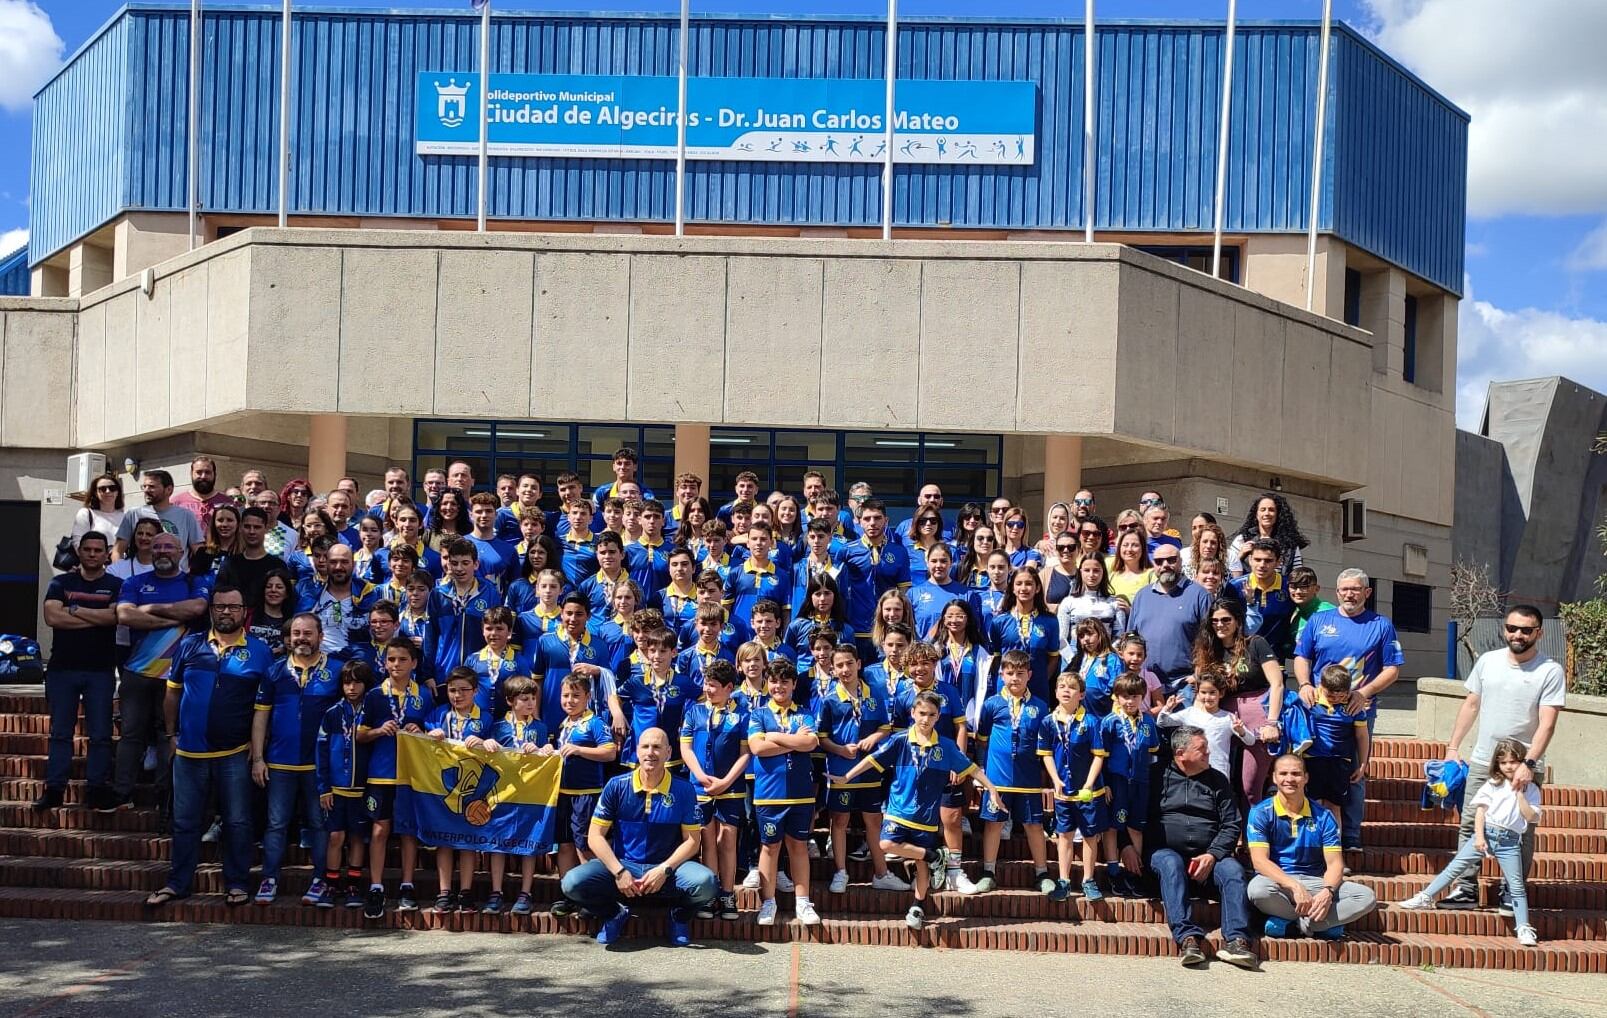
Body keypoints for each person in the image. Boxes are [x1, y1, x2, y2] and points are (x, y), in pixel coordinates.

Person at [144, 585, 275, 909]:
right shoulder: (189, 645)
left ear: (245, 611)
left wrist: (258, 752)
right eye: (220, 607)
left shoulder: (260, 652)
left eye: (233, 607)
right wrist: (171, 735)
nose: (226, 612)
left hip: (234, 753)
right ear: (211, 610)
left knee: (237, 821)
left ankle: (237, 883)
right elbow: (172, 694)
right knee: (185, 822)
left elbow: (265, 708)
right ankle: (178, 883)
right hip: (188, 753)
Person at [833, 689, 1005, 930]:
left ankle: (918, 905)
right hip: (898, 810)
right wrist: (847, 777)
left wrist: (993, 791)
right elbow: (872, 760)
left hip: (926, 816)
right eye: (922, 713)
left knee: (922, 867)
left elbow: (973, 769)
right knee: (885, 845)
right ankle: (936, 856)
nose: (925, 719)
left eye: (931, 715)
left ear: (938, 717)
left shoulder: (945, 746)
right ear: (913, 713)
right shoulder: (900, 740)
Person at [1436, 605, 1564, 911]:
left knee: (1520, 830)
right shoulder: (1488, 661)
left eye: (1526, 630)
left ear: (1539, 633)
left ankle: (1512, 892)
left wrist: (1529, 764)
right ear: (1504, 629)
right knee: (1470, 823)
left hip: (1524, 764)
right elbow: (1471, 704)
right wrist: (1453, 748)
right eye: (1512, 628)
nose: (1517, 635)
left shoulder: (1549, 670)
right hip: (1484, 761)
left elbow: (1547, 723)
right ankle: (1465, 889)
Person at [560, 727, 718, 947]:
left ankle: (679, 916)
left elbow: (693, 842)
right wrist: (619, 871)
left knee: (706, 883)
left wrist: (664, 869)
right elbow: (595, 836)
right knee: (571, 883)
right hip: (625, 866)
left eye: (657, 747)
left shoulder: (684, 790)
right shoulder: (616, 785)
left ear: (668, 752)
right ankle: (614, 914)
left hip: (667, 869)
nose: (650, 753)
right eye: (645, 746)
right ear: (636, 751)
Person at [1292, 569, 1403, 854]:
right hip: (1317, 712)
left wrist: (1363, 693)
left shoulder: (1381, 625)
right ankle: (1310, 837)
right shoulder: (1319, 621)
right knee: (1310, 773)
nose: (1349, 594)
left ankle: (1350, 837)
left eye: (1355, 589)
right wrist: (1304, 684)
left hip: (1357, 711)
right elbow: (1302, 657)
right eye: (1344, 590)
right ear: (1337, 592)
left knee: (1353, 773)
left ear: (1367, 592)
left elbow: (1393, 669)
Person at [1400, 737, 1542, 947]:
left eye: (1513, 762)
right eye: (1503, 763)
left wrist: (1520, 796)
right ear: (1497, 764)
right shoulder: (1493, 784)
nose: (1508, 767)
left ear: (1522, 762)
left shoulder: (1531, 790)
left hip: (1510, 841)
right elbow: (1480, 813)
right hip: (1485, 835)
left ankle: (1523, 927)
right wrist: (1480, 837)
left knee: (1516, 885)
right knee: (1454, 868)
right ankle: (1425, 896)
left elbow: (1532, 817)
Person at [1142, 726, 1259, 969]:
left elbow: (1231, 824)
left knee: (1233, 872)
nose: (1209, 752)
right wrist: (1125, 846)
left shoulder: (1217, 780)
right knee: (1170, 863)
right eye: (1202, 748)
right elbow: (1135, 817)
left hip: (1210, 855)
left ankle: (1237, 940)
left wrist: (1213, 855)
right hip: (1164, 852)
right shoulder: (1155, 776)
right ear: (1181, 753)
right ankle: (1187, 938)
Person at [112, 533, 210, 813]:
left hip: (177, 676)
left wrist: (152, 608)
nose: (162, 551)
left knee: (167, 735)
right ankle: (122, 795)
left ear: (181, 551)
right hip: (137, 672)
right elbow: (126, 616)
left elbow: (198, 608)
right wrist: (176, 616)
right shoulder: (134, 582)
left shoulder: (194, 582)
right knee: (131, 735)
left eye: (168, 546)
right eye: (157, 547)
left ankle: (163, 798)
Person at [251, 613, 340, 905]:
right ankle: (269, 878)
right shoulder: (274, 671)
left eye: (308, 633)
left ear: (320, 636)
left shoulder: (337, 672)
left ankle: (320, 879)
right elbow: (261, 716)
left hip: (319, 766)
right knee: (276, 824)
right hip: (279, 763)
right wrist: (258, 758)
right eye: (297, 633)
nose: (302, 638)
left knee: (318, 824)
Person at [1248, 753, 1379, 940]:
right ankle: (1320, 924)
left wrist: (1327, 892)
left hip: (1314, 882)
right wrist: (1294, 886)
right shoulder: (1261, 812)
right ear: (1274, 778)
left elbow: (1335, 864)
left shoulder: (1324, 816)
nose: (1289, 779)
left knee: (1366, 897)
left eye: (1296, 774)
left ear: (1306, 778)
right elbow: (1259, 861)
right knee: (1257, 890)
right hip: (1279, 882)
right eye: (1283, 773)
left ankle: (1299, 924)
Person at [35, 532, 122, 811]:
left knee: (100, 735)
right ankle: (55, 789)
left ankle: (96, 788)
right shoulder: (61, 582)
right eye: (88, 549)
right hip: (63, 669)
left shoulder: (116, 585)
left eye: (98, 550)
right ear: (80, 552)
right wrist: (95, 618)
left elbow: (115, 617)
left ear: (106, 553)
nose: (93, 554)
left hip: (100, 670)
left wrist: (73, 610)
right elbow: (51, 617)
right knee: (60, 733)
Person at [818, 644, 910, 895]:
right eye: (839, 665)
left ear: (859, 664)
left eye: (849, 663)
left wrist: (875, 738)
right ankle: (840, 871)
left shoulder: (875, 693)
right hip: (840, 769)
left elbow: (885, 727)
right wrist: (838, 749)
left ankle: (881, 873)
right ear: (833, 669)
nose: (845, 669)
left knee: (874, 819)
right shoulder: (829, 700)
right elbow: (821, 737)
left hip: (869, 771)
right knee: (839, 820)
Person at [358, 637, 430, 919]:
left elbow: (435, 734)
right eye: (391, 660)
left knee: (408, 832)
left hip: (412, 775)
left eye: (402, 659)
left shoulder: (423, 694)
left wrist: (420, 731)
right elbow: (360, 734)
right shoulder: (375, 695)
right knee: (379, 831)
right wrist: (377, 731)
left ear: (413, 663)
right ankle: (376, 886)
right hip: (382, 773)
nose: (395, 665)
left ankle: (407, 885)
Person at [970, 651, 1052, 895]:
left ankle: (1042, 874)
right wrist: (983, 772)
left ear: (1030, 675)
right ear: (1001, 675)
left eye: (1020, 673)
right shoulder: (992, 704)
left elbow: (1044, 744)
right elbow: (982, 739)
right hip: (997, 779)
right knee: (993, 825)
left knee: (1034, 825)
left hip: (1028, 780)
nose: (1015, 678)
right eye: (1009, 673)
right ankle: (988, 872)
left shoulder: (1040, 706)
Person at [747, 660, 821, 926]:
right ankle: (768, 902)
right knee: (769, 847)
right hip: (769, 794)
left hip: (800, 793)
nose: (779, 686)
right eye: (774, 681)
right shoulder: (758, 714)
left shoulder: (804, 713)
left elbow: (811, 742)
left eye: (785, 682)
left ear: (794, 685)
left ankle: (803, 902)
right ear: (768, 684)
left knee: (798, 847)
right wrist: (793, 742)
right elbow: (757, 748)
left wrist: (774, 737)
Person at [677, 658, 751, 921]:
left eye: (714, 685)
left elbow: (746, 754)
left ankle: (728, 894)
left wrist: (725, 781)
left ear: (730, 687)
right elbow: (685, 748)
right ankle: (709, 894)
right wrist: (701, 776)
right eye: (707, 684)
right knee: (707, 840)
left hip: (730, 788)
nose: (708, 689)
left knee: (728, 839)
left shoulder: (743, 715)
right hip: (700, 787)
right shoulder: (694, 712)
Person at [474, 673, 552, 916]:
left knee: (528, 843)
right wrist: (485, 744)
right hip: (502, 794)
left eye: (532, 699)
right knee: (497, 844)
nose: (530, 704)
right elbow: (481, 751)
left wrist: (543, 749)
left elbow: (547, 754)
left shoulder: (540, 727)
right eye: (524, 699)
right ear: (510, 701)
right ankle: (496, 892)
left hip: (530, 795)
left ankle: (525, 893)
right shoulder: (497, 727)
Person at [1193, 597, 1284, 803]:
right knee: (1219, 781)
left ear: (1237, 621)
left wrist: (1272, 723)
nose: (1220, 625)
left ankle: (1253, 834)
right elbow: (1201, 690)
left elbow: (1277, 684)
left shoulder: (1256, 643)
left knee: (1250, 787)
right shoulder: (1207, 650)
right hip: (1221, 715)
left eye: (1226, 620)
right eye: (1214, 621)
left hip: (1257, 715)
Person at [548, 672, 620, 919]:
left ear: (588, 697)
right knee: (565, 845)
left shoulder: (595, 723)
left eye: (576, 696)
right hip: (563, 794)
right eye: (566, 695)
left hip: (587, 794)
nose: (570, 700)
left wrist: (579, 749)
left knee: (586, 846)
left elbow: (610, 752)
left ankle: (594, 895)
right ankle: (569, 894)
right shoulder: (563, 724)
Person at [424, 668, 495, 914]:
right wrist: (429, 734)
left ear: (475, 691)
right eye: (453, 690)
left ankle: (465, 891)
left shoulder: (485, 718)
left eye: (464, 690)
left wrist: (486, 743)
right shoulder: (438, 714)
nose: (457, 695)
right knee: (444, 841)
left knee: (468, 841)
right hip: (443, 787)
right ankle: (444, 892)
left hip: (472, 790)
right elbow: (422, 738)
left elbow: (495, 747)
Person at [1038, 672, 1110, 902]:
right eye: (1061, 686)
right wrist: (1055, 780)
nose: (1066, 690)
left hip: (1088, 792)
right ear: (1056, 692)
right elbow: (1046, 754)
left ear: (1081, 694)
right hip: (1064, 792)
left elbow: (1098, 756)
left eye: (1071, 687)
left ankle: (1089, 879)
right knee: (1065, 835)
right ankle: (1064, 880)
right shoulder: (1049, 722)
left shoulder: (1091, 722)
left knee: (1090, 835)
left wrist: (1089, 784)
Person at [313, 659, 373, 910]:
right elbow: (321, 753)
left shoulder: (373, 712)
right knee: (336, 836)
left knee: (358, 836)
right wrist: (323, 787)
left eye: (357, 682)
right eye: (347, 682)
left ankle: (354, 884)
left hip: (362, 788)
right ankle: (331, 883)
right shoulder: (332, 714)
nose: (351, 688)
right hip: (336, 788)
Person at [1100, 673, 1161, 896]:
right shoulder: (1109, 723)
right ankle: (1114, 871)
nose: (1130, 701)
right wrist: (1104, 783)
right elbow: (1100, 757)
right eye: (1125, 696)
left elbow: (1152, 754)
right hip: (1117, 781)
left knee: (1137, 825)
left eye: (1134, 696)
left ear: (1142, 697)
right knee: (1113, 826)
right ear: (1116, 697)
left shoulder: (1148, 722)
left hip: (1141, 781)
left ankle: (1134, 872)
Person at [1127, 545, 1213, 697]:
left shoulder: (1199, 595)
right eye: (1159, 561)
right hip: (1145, 684)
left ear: (1180, 562)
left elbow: (1211, 641)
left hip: (1184, 685)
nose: (1165, 565)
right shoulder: (1142, 596)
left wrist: (1199, 674)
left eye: (1171, 560)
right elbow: (1131, 638)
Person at [837, 499, 912, 662]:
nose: (872, 523)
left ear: (886, 520)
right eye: (867, 519)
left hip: (887, 632)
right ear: (859, 522)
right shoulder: (847, 551)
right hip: (855, 630)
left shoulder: (899, 552)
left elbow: (903, 593)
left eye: (877, 518)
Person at [1157, 668, 1256, 781]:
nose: (1207, 697)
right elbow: (1162, 722)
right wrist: (1167, 708)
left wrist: (1240, 731)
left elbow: (1251, 740)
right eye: (1203, 692)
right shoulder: (1189, 713)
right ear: (1197, 693)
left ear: (1221, 693)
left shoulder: (1228, 718)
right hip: (1194, 772)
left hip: (1219, 773)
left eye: (1212, 692)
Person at [114, 469, 204, 563]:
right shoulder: (133, 514)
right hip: (139, 576)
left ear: (169, 489)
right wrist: (118, 572)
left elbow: (198, 549)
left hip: (176, 575)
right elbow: (118, 550)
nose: (146, 490)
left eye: (152, 487)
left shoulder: (186, 516)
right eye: (144, 486)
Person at [1232, 539, 1295, 661]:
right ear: (1250, 560)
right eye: (1257, 559)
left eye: (1268, 560)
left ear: (1278, 562)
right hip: (1242, 658)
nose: (1262, 565)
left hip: (1276, 659)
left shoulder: (1289, 587)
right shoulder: (1235, 587)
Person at [216, 508, 287, 610]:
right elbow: (219, 596)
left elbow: (286, 601)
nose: (252, 531)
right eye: (247, 527)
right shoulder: (229, 563)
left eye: (257, 527)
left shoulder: (278, 565)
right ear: (240, 528)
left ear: (266, 529)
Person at [1228, 492, 1308, 578]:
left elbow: (1298, 576)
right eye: (1263, 509)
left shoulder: (1290, 545)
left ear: (1278, 514)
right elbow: (1226, 571)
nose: (1267, 513)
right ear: (1256, 514)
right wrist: (1240, 555)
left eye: (1271, 510)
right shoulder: (1242, 540)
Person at [172, 456, 233, 531]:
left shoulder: (227, 502)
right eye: (199, 472)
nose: (203, 476)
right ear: (191, 474)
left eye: (207, 472)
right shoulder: (176, 503)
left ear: (215, 475)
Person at [71, 471, 125, 543]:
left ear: (117, 492)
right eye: (102, 489)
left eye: (112, 488)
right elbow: (78, 542)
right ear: (96, 493)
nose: (108, 491)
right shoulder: (86, 514)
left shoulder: (125, 517)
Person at [1107, 528, 1153, 604]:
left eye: (1135, 545)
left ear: (1143, 548)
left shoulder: (1151, 575)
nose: (1129, 549)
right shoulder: (1112, 576)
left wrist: (1130, 610)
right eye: (1125, 545)